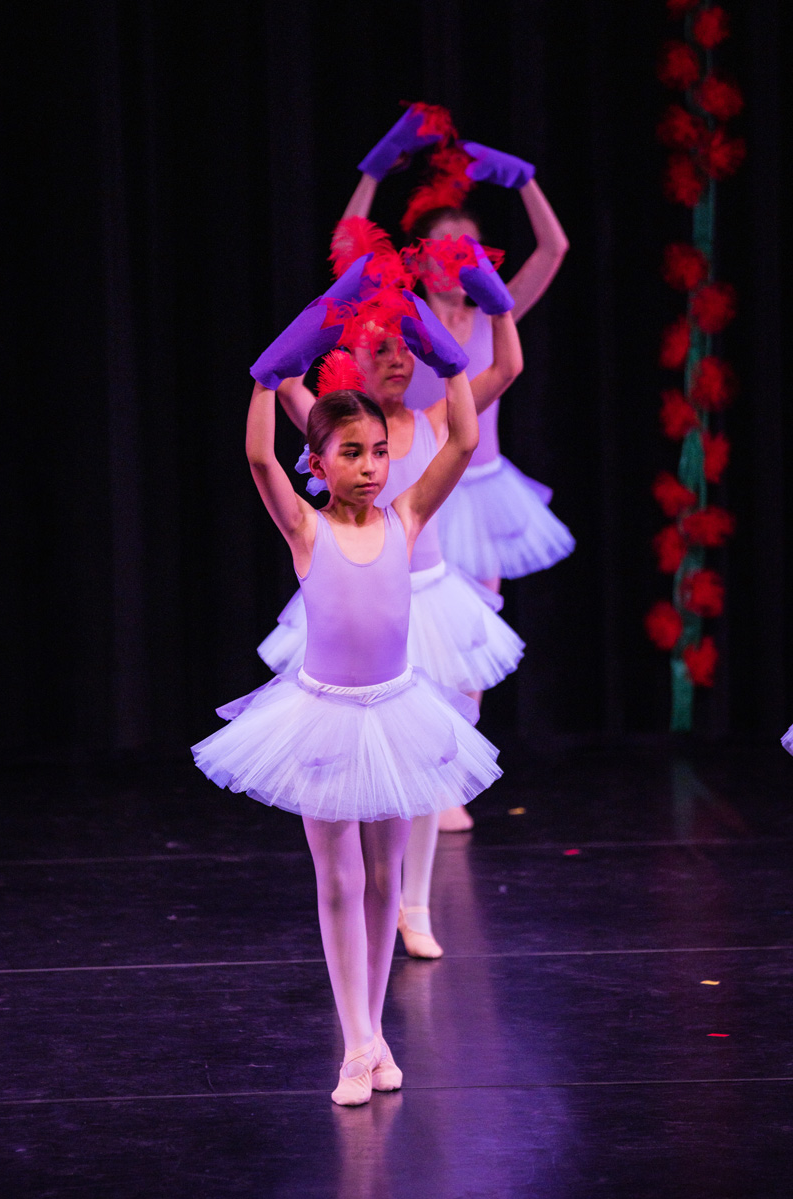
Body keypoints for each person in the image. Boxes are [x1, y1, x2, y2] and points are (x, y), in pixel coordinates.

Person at [192, 268, 503, 1106]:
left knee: (386, 881)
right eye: (351, 453)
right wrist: (267, 378)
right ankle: (356, 1042)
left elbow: (463, 442)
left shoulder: (407, 518)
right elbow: (257, 455)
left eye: (377, 453)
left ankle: (374, 1037)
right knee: (338, 881)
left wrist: (451, 364)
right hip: (324, 717)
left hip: (396, 713)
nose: (370, 467)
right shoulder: (305, 527)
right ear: (320, 461)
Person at [264, 230, 523, 958]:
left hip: (430, 600)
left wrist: (497, 310)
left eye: (404, 347)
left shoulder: (435, 421)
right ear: (356, 355)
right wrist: (331, 312)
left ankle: (415, 903)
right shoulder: (339, 429)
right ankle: (370, 895)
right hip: (358, 597)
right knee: (361, 758)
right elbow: (283, 381)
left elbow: (506, 368)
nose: (396, 358)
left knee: (430, 754)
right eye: (380, 349)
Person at [344, 113, 575, 834]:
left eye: (468, 247)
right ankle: (412, 766)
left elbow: (555, 247)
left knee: (472, 641)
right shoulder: (407, 320)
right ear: (421, 258)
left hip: (486, 490)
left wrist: (526, 181)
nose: (456, 257)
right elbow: (351, 253)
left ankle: (451, 776)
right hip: (427, 486)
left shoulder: (497, 312)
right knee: (416, 632)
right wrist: (372, 173)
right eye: (442, 246)